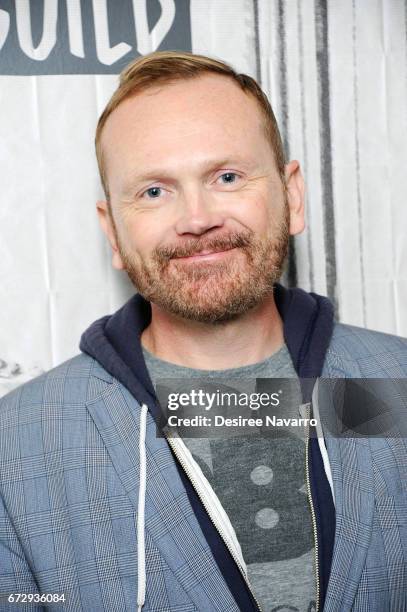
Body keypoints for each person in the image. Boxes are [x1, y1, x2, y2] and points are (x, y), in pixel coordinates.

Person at [0, 50, 406, 612]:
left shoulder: (398, 386)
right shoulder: (16, 441)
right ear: (113, 232)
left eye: (228, 176)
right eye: (154, 191)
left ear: (291, 198)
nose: (198, 218)